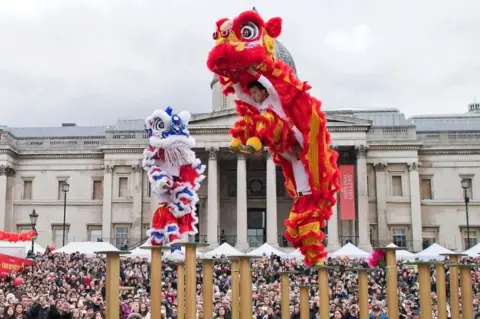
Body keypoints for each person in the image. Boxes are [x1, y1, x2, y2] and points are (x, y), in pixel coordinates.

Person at [230, 67, 304, 153]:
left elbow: (269, 86)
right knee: (246, 119)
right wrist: (234, 79)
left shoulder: (274, 98)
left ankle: (257, 145)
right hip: (269, 135)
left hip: (282, 131)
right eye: (251, 93)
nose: (252, 96)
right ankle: (240, 142)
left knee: (266, 116)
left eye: (255, 92)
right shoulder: (257, 104)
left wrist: (253, 72)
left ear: (263, 91)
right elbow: (241, 96)